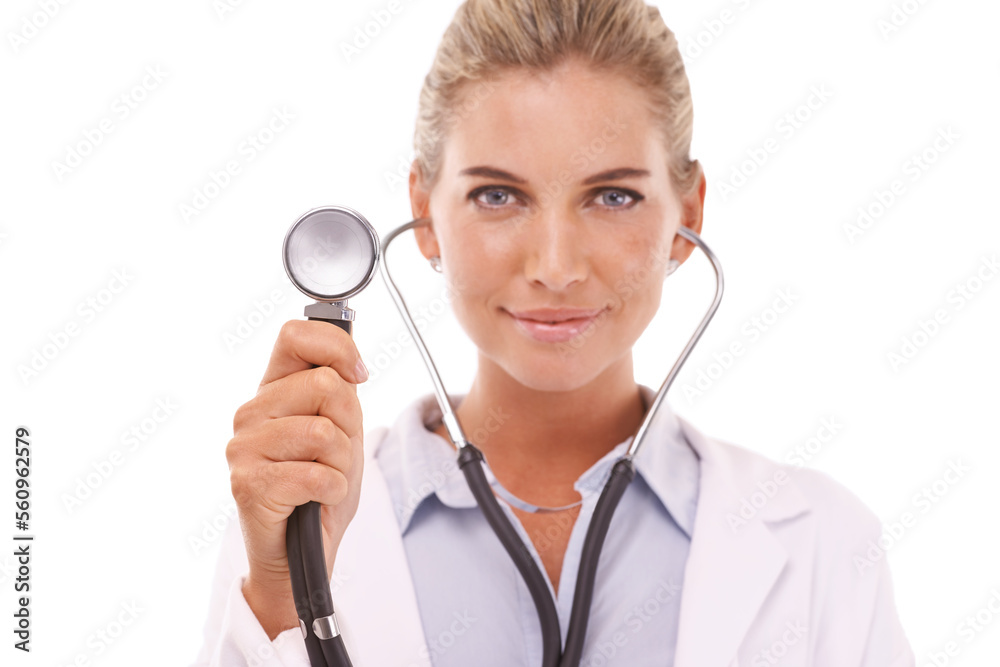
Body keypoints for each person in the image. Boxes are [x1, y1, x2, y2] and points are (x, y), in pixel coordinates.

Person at [193, 0, 916, 665]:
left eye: (613, 195)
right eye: (498, 195)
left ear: (688, 215)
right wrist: (290, 598)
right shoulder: (301, 525)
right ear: (424, 209)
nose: (556, 265)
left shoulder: (822, 541)